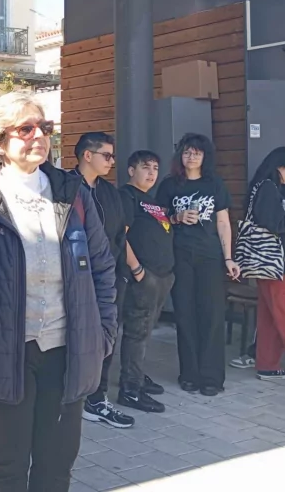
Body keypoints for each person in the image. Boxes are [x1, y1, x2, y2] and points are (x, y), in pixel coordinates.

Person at [0, 92, 117, 492]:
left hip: (67, 349)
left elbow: (102, 267)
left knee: (57, 464)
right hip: (5, 352)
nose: (39, 136)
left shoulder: (72, 192)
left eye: (45, 128)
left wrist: (103, 335)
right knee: (9, 463)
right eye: (25, 128)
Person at [156, 133, 239, 397]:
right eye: (187, 152)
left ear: (205, 156)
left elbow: (223, 222)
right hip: (180, 255)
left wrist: (229, 258)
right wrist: (176, 217)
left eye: (197, 152)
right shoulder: (170, 185)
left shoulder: (214, 184)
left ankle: (212, 377)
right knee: (185, 314)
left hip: (210, 256)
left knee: (212, 314)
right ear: (180, 155)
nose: (191, 157)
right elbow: (157, 220)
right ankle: (189, 374)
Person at [72, 132, 135, 429]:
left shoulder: (110, 192)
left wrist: (125, 271)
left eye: (112, 156)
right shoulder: (64, 186)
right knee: (74, 337)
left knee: (107, 335)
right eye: (106, 155)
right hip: (73, 278)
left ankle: (97, 400)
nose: (111, 161)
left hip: (108, 276)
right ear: (88, 155)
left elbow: (120, 233)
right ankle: (73, 397)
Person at [117, 151, 175, 414]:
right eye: (145, 167)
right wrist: (137, 269)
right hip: (143, 276)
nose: (151, 173)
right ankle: (130, 389)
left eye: (155, 168)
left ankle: (136, 375)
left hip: (163, 276)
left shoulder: (151, 200)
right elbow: (120, 236)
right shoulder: (126, 196)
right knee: (136, 331)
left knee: (146, 329)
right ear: (131, 170)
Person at [239, 146, 285, 382]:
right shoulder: (268, 188)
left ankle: (267, 365)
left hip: (270, 265)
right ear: (279, 166)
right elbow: (275, 223)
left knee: (270, 318)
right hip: (280, 264)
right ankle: (267, 364)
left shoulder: (264, 187)